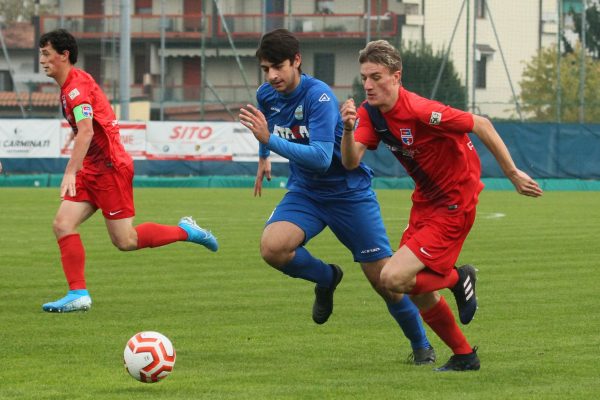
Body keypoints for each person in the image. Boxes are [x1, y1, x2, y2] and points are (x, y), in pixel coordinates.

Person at [340, 40, 543, 371]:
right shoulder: (369, 113)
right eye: (364, 77)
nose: (368, 85)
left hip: (454, 203)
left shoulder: (420, 110)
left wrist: (512, 173)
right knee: (413, 289)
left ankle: (457, 278)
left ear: (396, 76)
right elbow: (350, 162)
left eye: (376, 77)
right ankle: (465, 356)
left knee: (391, 278)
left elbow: (482, 124)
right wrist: (348, 130)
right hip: (425, 203)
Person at [239, 29, 435, 365]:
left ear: (296, 61)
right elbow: (265, 124)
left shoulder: (320, 98)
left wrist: (269, 140)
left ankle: (421, 346)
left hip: (348, 195)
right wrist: (263, 156)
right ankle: (327, 278)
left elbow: (318, 156)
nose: (272, 76)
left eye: (278, 67)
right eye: (266, 69)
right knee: (272, 247)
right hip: (306, 192)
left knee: (383, 280)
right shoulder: (267, 94)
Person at [38, 29, 218, 313]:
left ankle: (187, 231)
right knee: (62, 224)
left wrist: (70, 171)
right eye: (41, 54)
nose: (42, 60)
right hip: (94, 168)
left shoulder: (75, 88)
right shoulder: (72, 86)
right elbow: (89, 126)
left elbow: (86, 130)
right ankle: (78, 293)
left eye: (46, 54)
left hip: (110, 168)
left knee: (126, 240)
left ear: (64, 55)